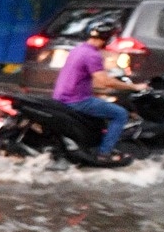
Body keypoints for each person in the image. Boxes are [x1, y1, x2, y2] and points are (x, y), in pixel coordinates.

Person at [51, 19, 135, 163]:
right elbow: (105, 81)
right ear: (107, 38)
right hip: (76, 101)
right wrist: (135, 87)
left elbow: (83, 77)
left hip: (61, 97)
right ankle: (104, 153)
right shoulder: (92, 55)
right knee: (120, 114)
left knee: (100, 106)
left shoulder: (78, 50)